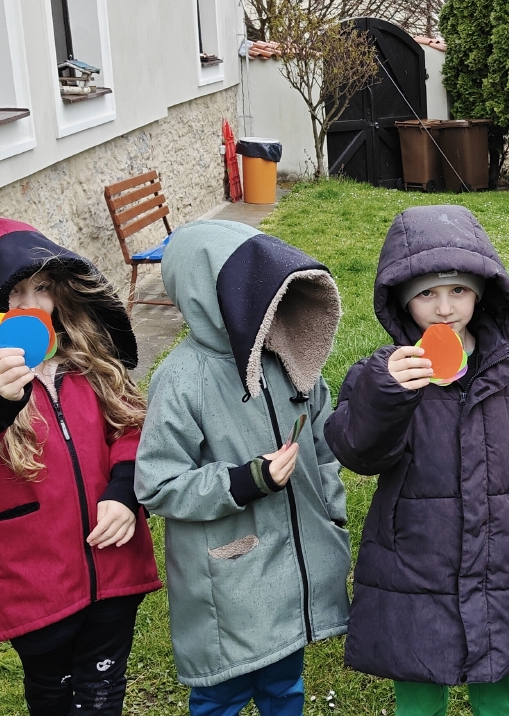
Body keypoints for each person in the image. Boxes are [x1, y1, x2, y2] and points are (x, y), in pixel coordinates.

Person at [324, 205, 509, 716]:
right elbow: (357, 452)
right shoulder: (386, 374)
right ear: (401, 299)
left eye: (458, 290)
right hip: (414, 564)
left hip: (499, 562)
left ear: (482, 291)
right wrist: (387, 393)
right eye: (426, 294)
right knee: (419, 690)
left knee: (502, 691)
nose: (444, 308)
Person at [0, 217, 159, 715]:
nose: (30, 305)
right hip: (35, 579)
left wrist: (124, 489)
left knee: (103, 691)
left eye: (42, 288)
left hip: (112, 560)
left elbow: (131, 426)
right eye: (14, 293)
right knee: (53, 693)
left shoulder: (86, 357)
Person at [136, 220, 351, 716]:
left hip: (289, 569)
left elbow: (325, 449)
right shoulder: (182, 379)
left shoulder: (292, 359)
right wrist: (244, 480)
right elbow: (157, 483)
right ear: (208, 297)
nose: (265, 307)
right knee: (222, 693)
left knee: (284, 682)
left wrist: (331, 513)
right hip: (228, 575)